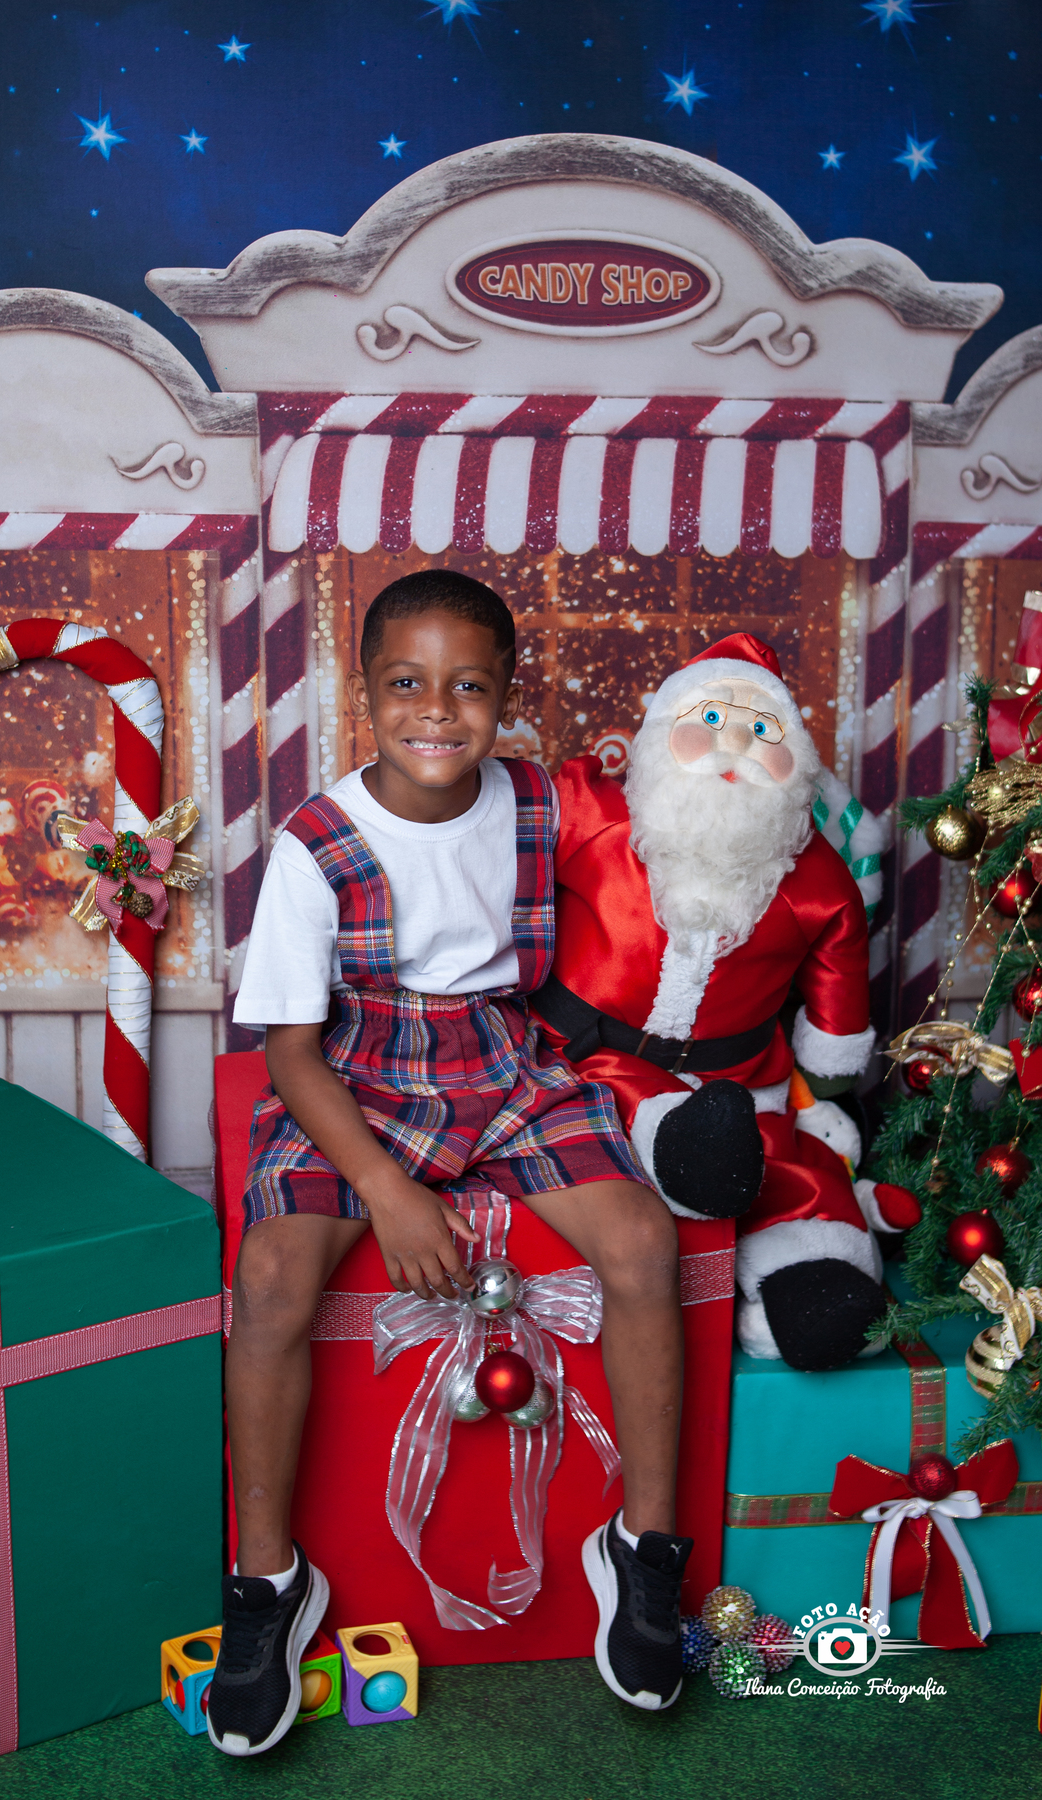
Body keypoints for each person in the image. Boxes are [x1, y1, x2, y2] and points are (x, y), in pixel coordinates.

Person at [211, 569, 688, 1758]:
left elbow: (652, 872)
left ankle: (645, 1549)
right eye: (408, 685)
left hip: (501, 1057)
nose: (439, 711)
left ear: (507, 697)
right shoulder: (316, 846)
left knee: (641, 1239)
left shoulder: (535, 805)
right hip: (356, 1068)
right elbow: (288, 1049)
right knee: (272, 1275)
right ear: (365, 694)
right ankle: (267, 1584)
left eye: (469, 687)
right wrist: (386, 1188)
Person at [531, 633, 917, 1374]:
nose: (734, 741)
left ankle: (815, 1284)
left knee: (790, 1166)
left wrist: (827, 1092)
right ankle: (682, 1150)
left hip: (744, 1080)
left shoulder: (817, 880)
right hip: (587, 1058)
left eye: (763, 730)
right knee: (639, 1119)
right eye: (710, 719)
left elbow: (838, 998)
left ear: (796, 764)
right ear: (656, 736)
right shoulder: (588, 812)